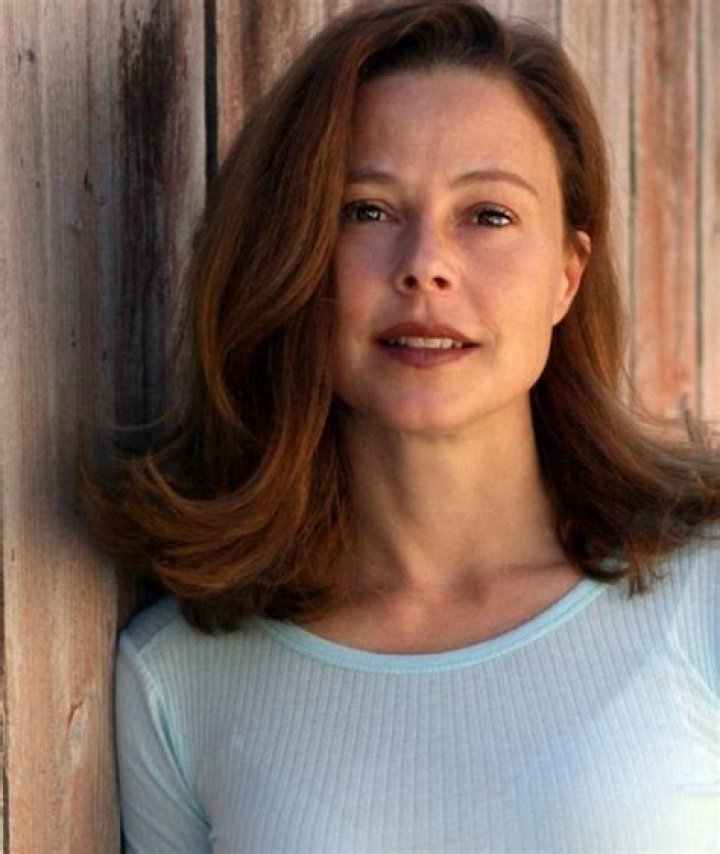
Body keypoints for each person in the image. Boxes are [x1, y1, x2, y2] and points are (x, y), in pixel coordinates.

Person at [83, 1, 720, 851]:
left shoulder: (703, 599)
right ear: (293, 255)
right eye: (367, 211)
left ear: (567, 276)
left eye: (488, 215)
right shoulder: (178, 677)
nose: (425, 266)